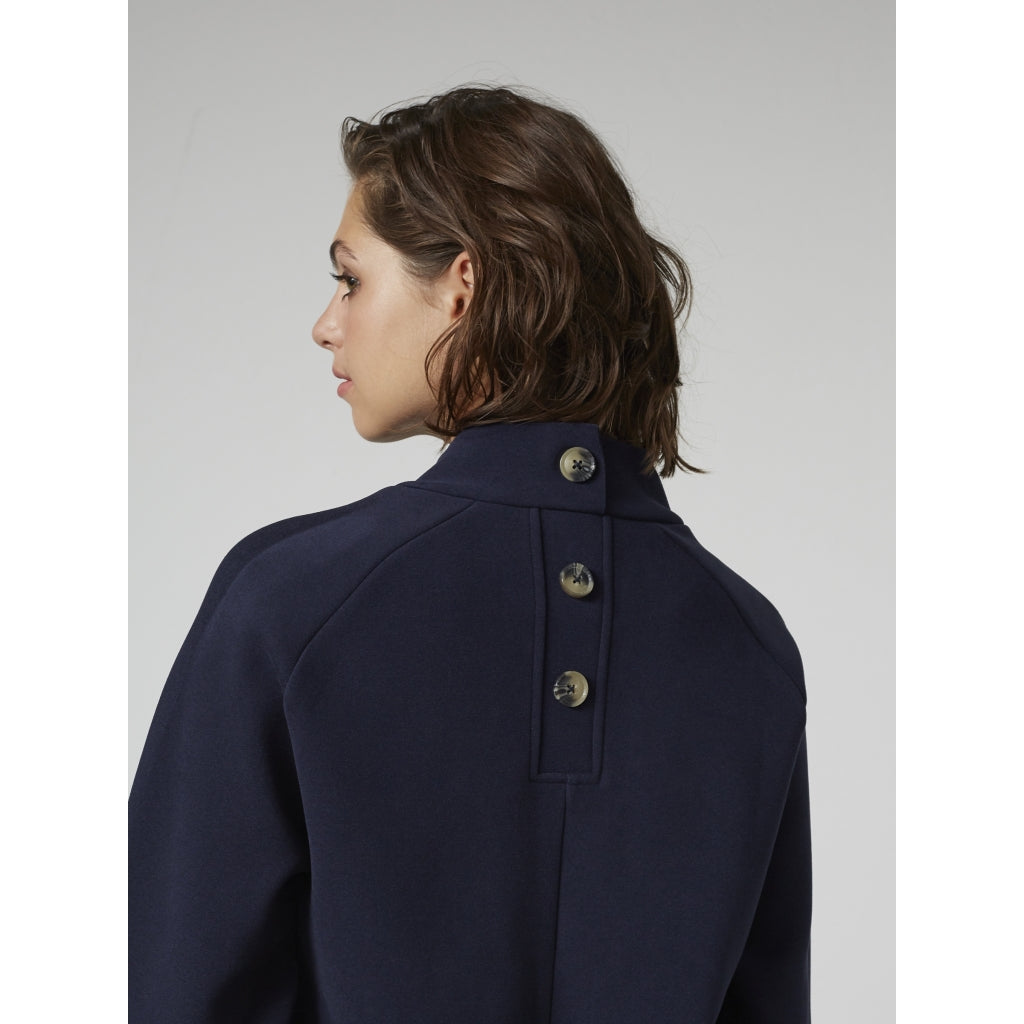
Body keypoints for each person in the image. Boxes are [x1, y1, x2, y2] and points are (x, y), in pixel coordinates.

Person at [129, 84, 811, 1023]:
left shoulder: (294, 603)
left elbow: (176, 989)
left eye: (349, 279)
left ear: (463, 283)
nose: (326, 323)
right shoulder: (751, 646)